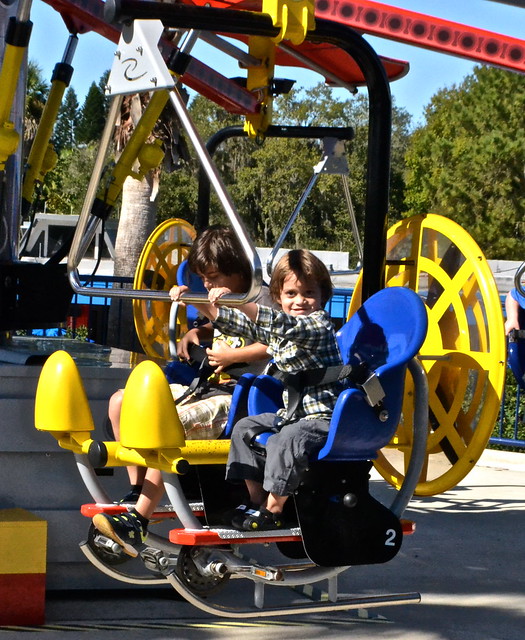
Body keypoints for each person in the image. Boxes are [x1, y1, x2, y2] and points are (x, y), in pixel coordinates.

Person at [93, 225, 270, 556]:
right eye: (204, 278)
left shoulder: (260, 298)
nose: (208, 284)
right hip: (208, 386)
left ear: (239, 268)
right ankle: (137, 487)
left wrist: (233, 355)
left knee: (168, 423)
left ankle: (138, 521)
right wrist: (196, 326)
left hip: (240, 395)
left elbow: (274, 343)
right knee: (122, 402)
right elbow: (219, 320)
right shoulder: (224, 295)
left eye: (214, 276)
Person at [186, 248, 343, 532]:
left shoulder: (318, 325)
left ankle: (274, 509)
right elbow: (244, 327)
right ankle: (256, 499)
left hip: (324, 419)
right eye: (291, 294)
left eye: (309, 293)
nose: (300, 301)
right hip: (292, 415)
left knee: (288, 439)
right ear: (279, 296)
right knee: (245, 427)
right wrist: (198, 301)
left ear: (322, 297)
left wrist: (242, 301)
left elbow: (280, 323)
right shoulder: (283, 332)